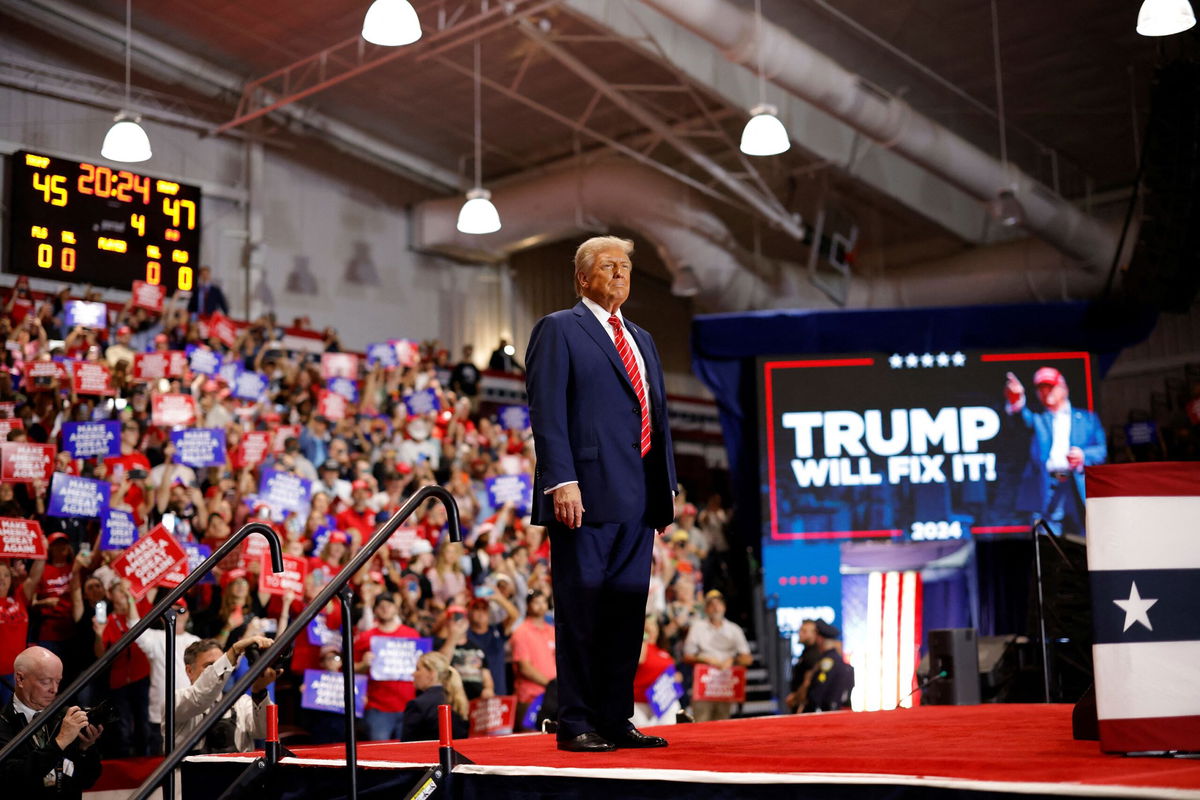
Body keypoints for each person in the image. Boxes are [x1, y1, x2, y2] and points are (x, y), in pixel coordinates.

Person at [525, 235, 677, 753]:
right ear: (582, 278)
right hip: (584, 497)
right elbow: (546, 412)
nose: (621, 273)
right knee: (582, 612)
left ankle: (615, 717)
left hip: (639, 499)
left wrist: (667, 487)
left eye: (627, 266)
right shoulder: (559, 329)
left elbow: (656, 419)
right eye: (609, 266)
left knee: (626, 615)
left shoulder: (643, 338)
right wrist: (559, 480)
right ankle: (576, 722)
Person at [1004, 367, 1107, 532]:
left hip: (1076, 486)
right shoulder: (1038, 419)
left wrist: (1083, 455)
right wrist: (1016, 401)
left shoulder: (1087, 419)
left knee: (1084, 537)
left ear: (1063, 388)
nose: (1046, 393)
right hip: (1047, 485)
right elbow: (1021, 421)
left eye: (1050, 387)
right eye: (1041, 389)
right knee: (1048, 541)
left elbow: (1102, 451)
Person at [0, 646, 103, 800]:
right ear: (20, 679)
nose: (54, 689)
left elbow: (88, 780)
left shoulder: (66, 716)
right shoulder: (3, 723)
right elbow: (12, 780)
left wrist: (85, 750)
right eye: (46, 682)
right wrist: (60, 742)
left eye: (58, 681)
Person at [173, 635, 277, 753]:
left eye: (222, 663)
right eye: (210, 666)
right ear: (189, 671)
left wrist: (259, 692)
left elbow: (263, 731)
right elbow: (201, 696)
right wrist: (234, 651)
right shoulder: (176, 701)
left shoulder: (241, 702)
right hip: (192, 772)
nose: (221, 671)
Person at [134, 597, 200, 755]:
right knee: (159, 762)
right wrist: (131, 600)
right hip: (160, 715)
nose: (176, 614)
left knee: (189, 762)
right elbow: (133, 624)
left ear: (188, 614)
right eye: (171, 611)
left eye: (181, 610)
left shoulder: (196, 641)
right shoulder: (154, 637)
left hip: (190, 712)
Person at [353, 591, 421, 742]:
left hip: (408, 706)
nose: (385, 609)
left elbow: (422, 666)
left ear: (396, 609)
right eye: (381, 606)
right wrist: (363, 664)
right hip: (377, 707)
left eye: (389, 605)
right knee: (379, 757)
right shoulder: (366, 637)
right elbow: (349, 669)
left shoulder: (412, 634)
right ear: (375, 610)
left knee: (408, 756)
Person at [682, 590, 752, 722]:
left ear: (724, 607)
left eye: (718, 604)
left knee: (722, 723)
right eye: (711, 605)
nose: (715, 607)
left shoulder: (734, 629)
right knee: (701, 722)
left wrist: (732, 660)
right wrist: (706, 659)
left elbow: (747, 659)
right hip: (704, 685)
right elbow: (687, 656)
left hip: (725, 685)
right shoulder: (698, 627)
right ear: (706, 609)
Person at [509, 590, 555, 730]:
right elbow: (524, 667)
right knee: (530, 739)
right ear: (528, 606)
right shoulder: (521, 632)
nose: (541, 606)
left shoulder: (552, 630)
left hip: (553, 696)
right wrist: (552, 685)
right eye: (536, 602)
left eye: (543, 602)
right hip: (531, 697)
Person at [400, 652, 470, 742]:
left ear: (431, 673)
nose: (413, 674)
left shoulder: (417, 705)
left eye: (418, 669)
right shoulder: (457, 700)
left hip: (427, 755)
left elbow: (407, 745)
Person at [802, 621, 855, 713]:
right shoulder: (837, 660)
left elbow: (818, 692)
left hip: (829, 713)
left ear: (819, 638)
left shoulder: (827, 662)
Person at [784, 619, 821, 713]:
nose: (800, 634)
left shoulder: (813, 655)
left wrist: (796, 698)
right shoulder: (805, 653)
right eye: (800, 630)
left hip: (806, 705)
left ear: (814, 634)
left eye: (804, 631)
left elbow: (807, 682)